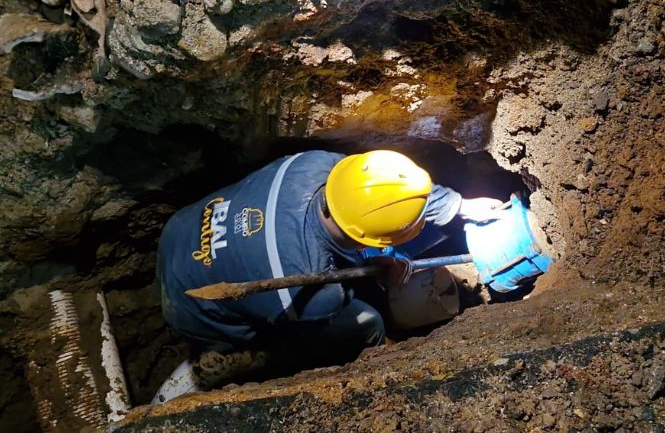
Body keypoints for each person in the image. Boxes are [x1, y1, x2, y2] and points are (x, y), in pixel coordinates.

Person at [156, 149, 504, 375]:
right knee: (369, 323)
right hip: (192, 309)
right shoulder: (313, 292)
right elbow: (337, 289)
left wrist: (460, 205)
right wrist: (380, 274)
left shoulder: (317, 163)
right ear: (374, 243)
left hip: (179, 230)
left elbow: (386, 192)